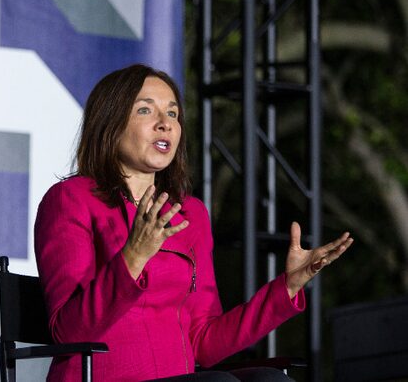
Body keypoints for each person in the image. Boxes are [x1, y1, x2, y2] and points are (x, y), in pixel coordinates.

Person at [34, 64, 352, 382]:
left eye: (172, 114)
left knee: (270, 380)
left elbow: (204, 343)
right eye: (146, 110)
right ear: (110, 124)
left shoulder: (190, 213)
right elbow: (69, 331)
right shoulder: (70, 199)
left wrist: (287, 287)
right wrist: (133, 256)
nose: (165, 124)